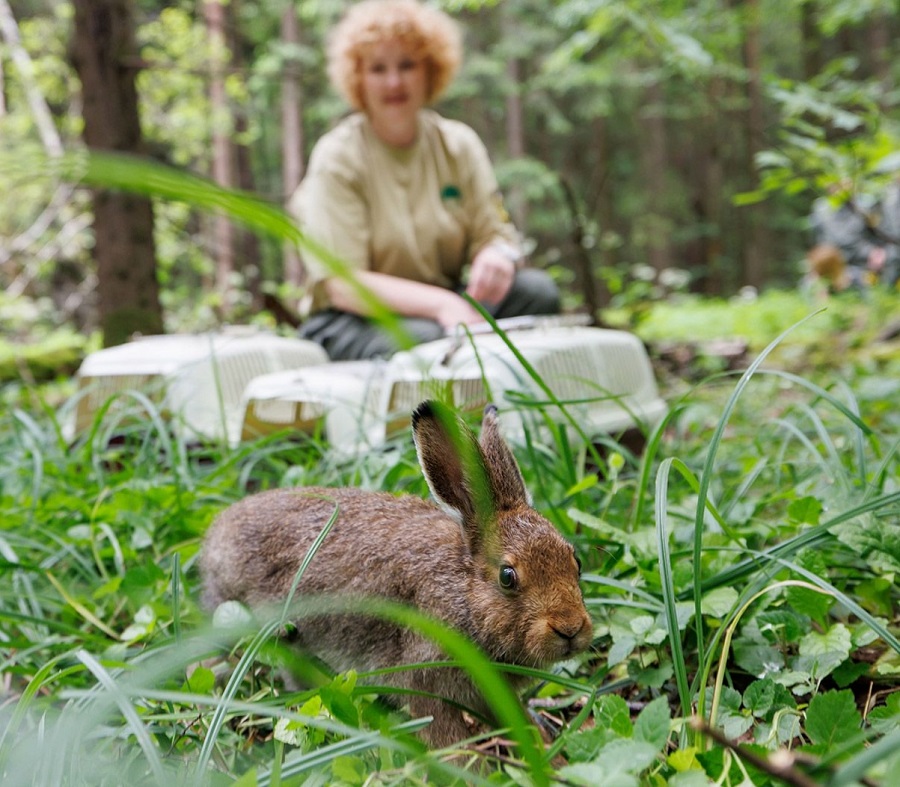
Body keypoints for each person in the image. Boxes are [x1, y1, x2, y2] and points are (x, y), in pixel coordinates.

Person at [288, 0, 560, 361]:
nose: (394, 82)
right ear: (358, 78)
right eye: (378, 68)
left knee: (537, 293)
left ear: (430, 70)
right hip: (352, 319)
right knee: (428, 340)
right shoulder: (338, 156)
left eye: (407, 65)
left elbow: (496, 233)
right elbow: (342, 284)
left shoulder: (458, 145)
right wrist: (442, 305)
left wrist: (497, 255)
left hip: (443, 306)